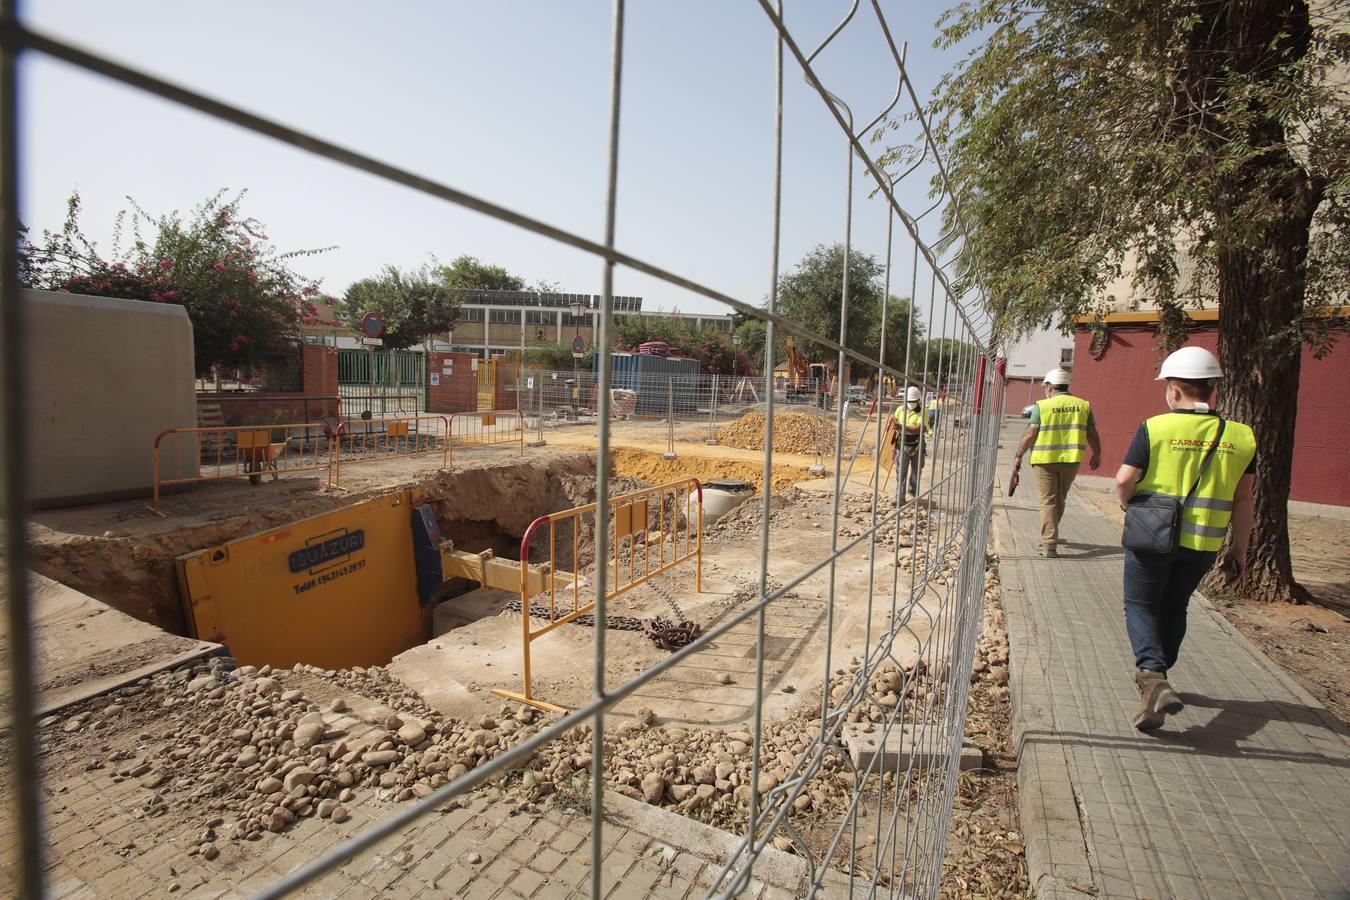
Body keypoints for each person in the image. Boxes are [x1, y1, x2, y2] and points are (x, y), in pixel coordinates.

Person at [1113, 346, 1255, 730]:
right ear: (1211, 389)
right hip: (1204, 545)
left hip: (1153, 538)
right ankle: (1156, 685)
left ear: (1174, 390)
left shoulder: (1155, 427)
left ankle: (1153, 677)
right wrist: (1239, 548)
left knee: (1140, 606)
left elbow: (1124, 479)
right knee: (1175, 608)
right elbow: (1244, 499)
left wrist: (1129, 507)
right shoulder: (1242, 437)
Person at [1013, 367, 1101, 556]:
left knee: (1047, 501)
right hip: (1070, 461)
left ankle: (1050, 543)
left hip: (1044, 461)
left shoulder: (1042, 406)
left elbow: (1031, 432)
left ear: (1051, 387)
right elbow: (1092, 433)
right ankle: (1051, 533)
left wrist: (1019, 454)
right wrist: (1097, 454)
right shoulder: (1083, 405)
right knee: (1059, 498)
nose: (1046, 390)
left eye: (1047, 387)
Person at [890, 386, 932, 501]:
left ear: (918, 400)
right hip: (902, 444)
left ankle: (913, 488)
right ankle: (900, 498)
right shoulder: (900, 410)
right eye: (909, 401)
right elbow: (894, 426)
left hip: (917, 445)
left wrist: (901, 426)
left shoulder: (923, 412)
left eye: (913, 401)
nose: (911, 404)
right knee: (901, 472)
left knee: (916, 470)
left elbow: (918, 428)